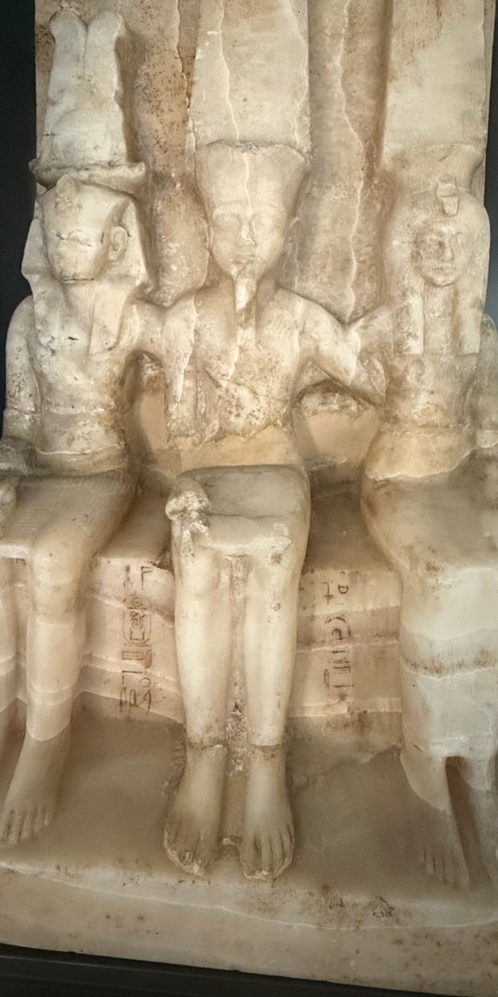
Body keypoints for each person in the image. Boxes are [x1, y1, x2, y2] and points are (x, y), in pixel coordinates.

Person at [161, 140, 365, 881]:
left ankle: (267, 764)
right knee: (196, 559)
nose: (244, 239)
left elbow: (369, 371)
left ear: (289, 228)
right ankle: (204, 755)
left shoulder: (301, 320)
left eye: (261, 222)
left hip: (275, 469)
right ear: (207, 229)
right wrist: (186, 488)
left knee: (274, 560)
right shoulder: (186, 319)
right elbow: (181, 431)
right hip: (207, 473)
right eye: (229, 221)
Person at [0, 174, 160, 845]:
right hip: (41, 471)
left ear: (114, 245)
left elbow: (188, 372)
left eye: (82, 237)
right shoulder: (28, 320)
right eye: (58, 236)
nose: (69, 248)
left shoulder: (129, 316)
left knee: (50, 563)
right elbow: (19, 420)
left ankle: (45, 745)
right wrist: (3, 477)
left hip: (103, 472)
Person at [358, 179, 498, 893]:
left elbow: (487, 446)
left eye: (455, 243)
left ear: (473, 252)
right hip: (395, 480)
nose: (440, 252)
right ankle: (427, 772)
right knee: (438, 576)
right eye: (428, 240)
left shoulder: (480, 336)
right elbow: (321, 368)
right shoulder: (387, 325)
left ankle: (481, 774)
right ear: (407, 247)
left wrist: (497, 511)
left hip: (458, 482)